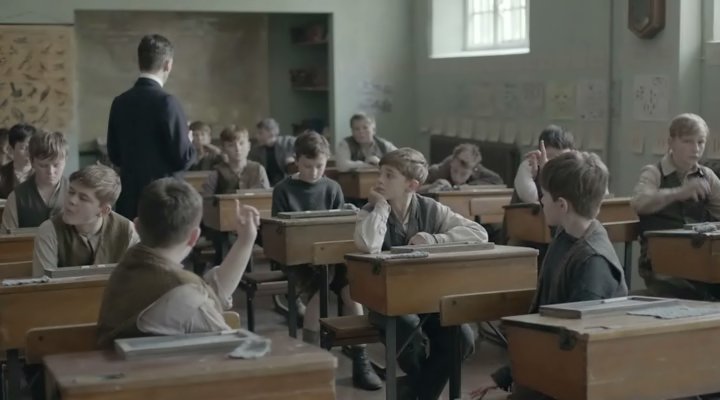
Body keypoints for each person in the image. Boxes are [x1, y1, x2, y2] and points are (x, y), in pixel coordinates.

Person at [476, 151, 627, 400]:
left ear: (562, 205)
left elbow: (570, 346)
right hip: (547, 372)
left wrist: (507, 376)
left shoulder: (593, 264)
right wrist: (550, 174)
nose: (540, 200)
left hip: (567, 382)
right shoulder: (569, 231)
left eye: (544, 195)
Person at [354, 148, 487, 400]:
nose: (380, 180)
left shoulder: (431, 209)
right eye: (380, 173)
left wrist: (435, 239)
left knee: (461, 339)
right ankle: (418, 389)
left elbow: (479, 233)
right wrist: (381, 206)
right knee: (410, 334)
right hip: (386, 303)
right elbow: (369, 245)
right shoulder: (370, 211)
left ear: (412, 185)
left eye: (389, 175)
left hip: (428, 300)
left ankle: (414, 392)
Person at [272, 131, 382, 391]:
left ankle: (360, 359)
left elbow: (339, 226)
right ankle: (311, 361)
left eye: (319, 166)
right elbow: (279, 233)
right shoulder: (283, 189)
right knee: (318, 296)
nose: (313, 172)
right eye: (307, 166)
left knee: (352, 295)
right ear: (296, 161)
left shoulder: (332, 187)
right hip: (300, 260)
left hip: (332, 257)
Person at [96, 178, 258, 346]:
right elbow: (231, 347)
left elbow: (207, 293)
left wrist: (245, 240)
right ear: (194, 237)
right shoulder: (184, 294)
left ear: (136, 226)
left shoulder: (129, 265)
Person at [106, 33, 195, 219]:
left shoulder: (120, 102)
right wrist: (188, 141)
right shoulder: (167, 102)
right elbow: (182, 158)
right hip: (163, 200)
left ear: (140, 62)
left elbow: (114, 155)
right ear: (168, 64)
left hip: (129, 197)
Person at [632, 113, 720, 300]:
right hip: (661, 260)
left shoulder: (707, 176)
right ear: (671, 142)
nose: (696, 148)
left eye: (701, 142)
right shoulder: (654, 172)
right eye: (688, 141)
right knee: (688, 292)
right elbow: (640, 203)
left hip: (699, 256)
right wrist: (679, 192)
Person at [32, 165, 139, 277]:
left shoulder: (128, 232)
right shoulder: (49, 231)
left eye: (83, 198)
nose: (72, 200)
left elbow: (136, 279)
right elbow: (44, 284)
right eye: (71, 192)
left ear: (103, 210)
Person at [1, 130, 67, 231]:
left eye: (56, 165)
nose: (51, 171)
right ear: (32, 162)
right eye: (43, 166)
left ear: (65, 160)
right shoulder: (17, 197)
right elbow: (7, 237)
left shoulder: (75, 192)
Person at [512, 125, 574, 204]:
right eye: (551, 158)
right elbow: (533, 198)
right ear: (541, 152)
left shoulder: (573, 168)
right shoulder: (529, 165)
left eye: (563, 158)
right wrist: (544, 173)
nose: (558, 164)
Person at [202, 126, 270, 195]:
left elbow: (267, 197)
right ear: (224, 149)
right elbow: (207, 199)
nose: (238, 149)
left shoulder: (258, 169)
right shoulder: (216, 174)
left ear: (249, 146)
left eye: (241, 143)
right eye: (231, 145)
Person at [421, 143, 503, 192]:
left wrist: (469, 187)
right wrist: (432, 186)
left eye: (463, 174)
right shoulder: (438, 171)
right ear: (452, 162)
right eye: (455, 171)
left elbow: (497, 181)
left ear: (473, 170)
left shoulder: (476, 169)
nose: (457, 178)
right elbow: (415, 187)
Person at [249, 118, 295, 186]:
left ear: (271, 132)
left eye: (260, 133)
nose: (257, 136)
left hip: (288, 184)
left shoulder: (288, 142)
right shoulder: (257, 150)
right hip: (267, 186)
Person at [0, 123, 35, 198]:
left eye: (32, 146)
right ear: (10, 150)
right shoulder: (2, 174)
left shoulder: (42, 172)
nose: (29, 152)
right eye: (24, 148)